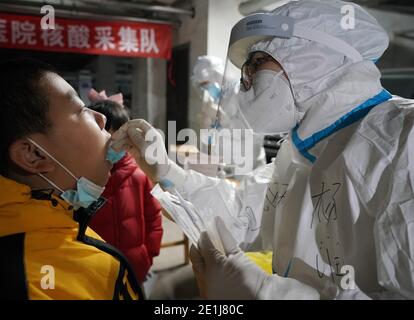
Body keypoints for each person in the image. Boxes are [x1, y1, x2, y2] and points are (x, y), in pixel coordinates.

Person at [114, 0, 414, 299]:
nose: (248, 79)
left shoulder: (403, 139)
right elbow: (243, 213)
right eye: (248, 67)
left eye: (259, 63)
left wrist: (267, 293)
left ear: (312, 58)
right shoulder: (303, 152)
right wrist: (166, 171)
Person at [0, 59, 142, 300]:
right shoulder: (34, 284)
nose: (101, 119)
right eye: (80, 110)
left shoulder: (56, 221)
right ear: (34, 154)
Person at [86, 91, 163, 284]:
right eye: (106, 139)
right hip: (96, 272)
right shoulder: (81, 180)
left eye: (119, 138)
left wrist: (148, 255)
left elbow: (154, 217)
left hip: (136, 267)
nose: (113, 145)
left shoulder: (139, 175)